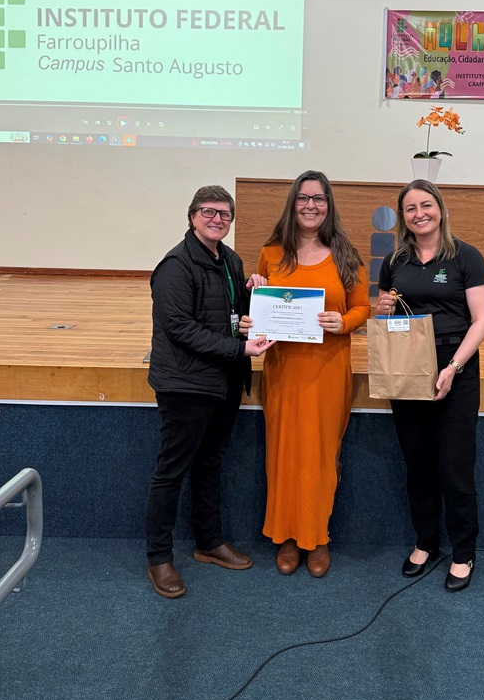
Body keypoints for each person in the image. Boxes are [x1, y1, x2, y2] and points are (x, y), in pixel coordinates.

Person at [145, 186, 274, 599]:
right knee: (172, 471)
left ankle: (208, 541)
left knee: (210, 463)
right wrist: (240, 349)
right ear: (192, 216)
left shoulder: (230, 260)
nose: (217, 219)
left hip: (223, 380)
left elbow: (233, 316)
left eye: (224, 214)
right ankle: (159, 557)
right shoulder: (175, 266)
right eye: (209, 212)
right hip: (186, 384)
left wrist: (255, 292)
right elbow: (180, 328)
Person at [377, 180, 484, 594]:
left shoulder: (465, 256)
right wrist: (382, 309)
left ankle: (463, 551)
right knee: (418, 464)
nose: (419, 214)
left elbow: (483, 320)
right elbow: (387, 318)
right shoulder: (395, 260)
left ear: (441, 209)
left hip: (454, 368)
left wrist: (453, 367)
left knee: (455, 468)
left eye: (426, 205)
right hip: (408, 368)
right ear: (402, 216)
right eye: (410, 208)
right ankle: (425, 541)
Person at [257, 171, 371, 577]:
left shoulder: (346, 255)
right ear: (292, 204)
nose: (310, 205)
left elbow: (362, 306)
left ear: (328, 205)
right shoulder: (271, 253)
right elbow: (261, 304)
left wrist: (345, 322)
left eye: (318, 198)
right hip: (283, 368)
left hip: (328, 368)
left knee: (322, 455)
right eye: (303, 198)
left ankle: (316, 536)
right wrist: (254, 302)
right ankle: (287, 535)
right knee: (283, 453)